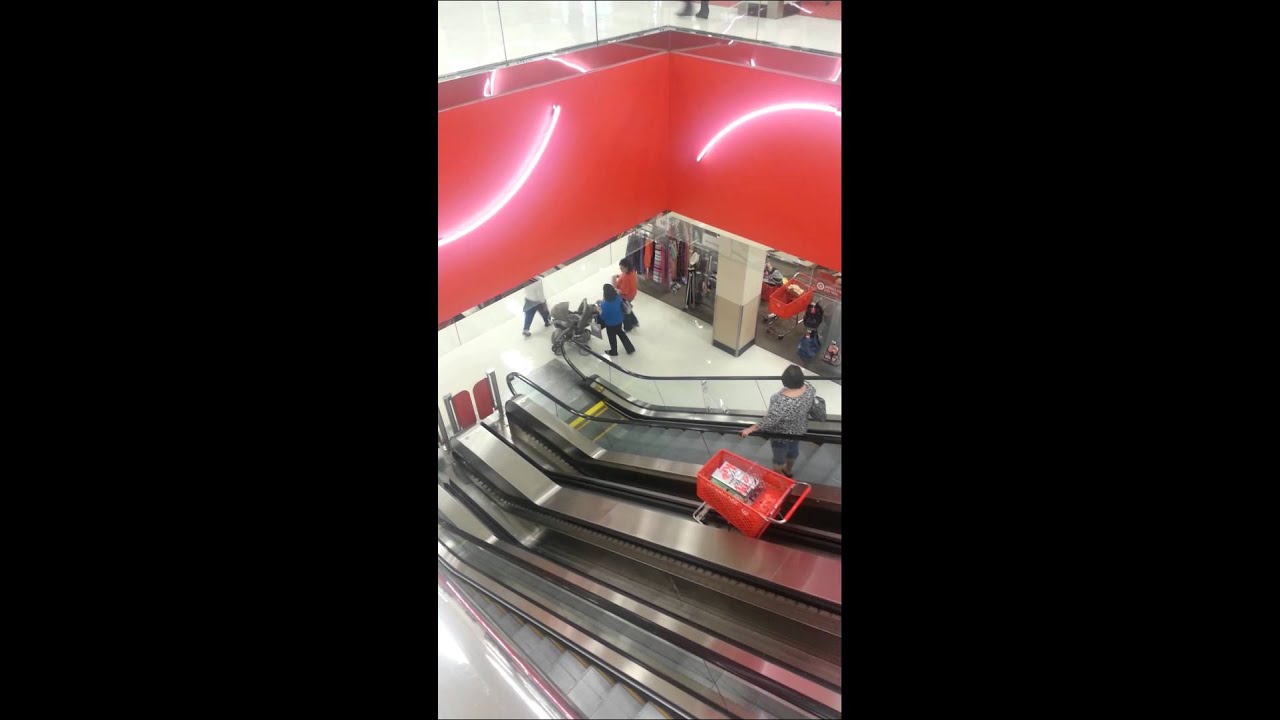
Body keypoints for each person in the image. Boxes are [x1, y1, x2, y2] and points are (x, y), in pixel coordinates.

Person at [739, 365, 817, 477]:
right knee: (793, 452)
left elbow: (770, 420)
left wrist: (751, 428)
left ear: (784, 380)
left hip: (781, 435)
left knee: (779, 458)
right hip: (799, 430)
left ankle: (778, 476)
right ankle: (788, 471)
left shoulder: (780, 400)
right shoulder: (809, 389)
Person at [596, 283, 635, 357]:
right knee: (621, 333)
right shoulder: (617, 297)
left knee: (612, 337)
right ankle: (630, 348)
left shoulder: (605, 304)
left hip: (610, 324)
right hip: (619, 320)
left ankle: (614, 351)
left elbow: (603, 317)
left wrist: (599, 310)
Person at [613, 258, 639, 331]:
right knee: (627, 308)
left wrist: (615, 289)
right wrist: (619, 276)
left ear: (626, 267)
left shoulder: (626, 278)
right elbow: (623, 274)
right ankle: (634, 321)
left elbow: (624, 291)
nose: (620, 269)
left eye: (622, 268)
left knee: (624, 312)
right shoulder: (631, 271)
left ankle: (628, 327)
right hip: (632, 293)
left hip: (626, 296)